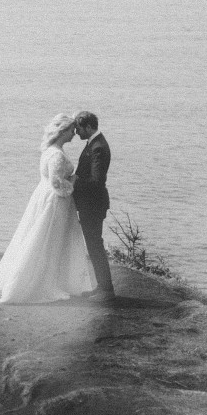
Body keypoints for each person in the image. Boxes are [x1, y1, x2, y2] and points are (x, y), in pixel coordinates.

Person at [0, 113, 97, 304]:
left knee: (42, 238)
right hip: (55, 201)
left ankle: (49, 278)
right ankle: (37, 282)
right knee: (48, 240)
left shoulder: (49, 150)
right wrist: (73, 181)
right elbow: (57, 183)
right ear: (63, 131)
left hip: (43, 195)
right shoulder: (56, 154)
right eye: (72, 131)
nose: (74, 135)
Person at [71, 110, 115, 300]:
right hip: (91, 204)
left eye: (79, 128)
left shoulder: (98, 147)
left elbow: (96, 181)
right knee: (94, 245)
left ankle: (105, 288)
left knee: (95, 245)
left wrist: (74, 181)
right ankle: (103, 286)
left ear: (88, 126)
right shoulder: (94, 143)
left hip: (93, 205)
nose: (76, 132)